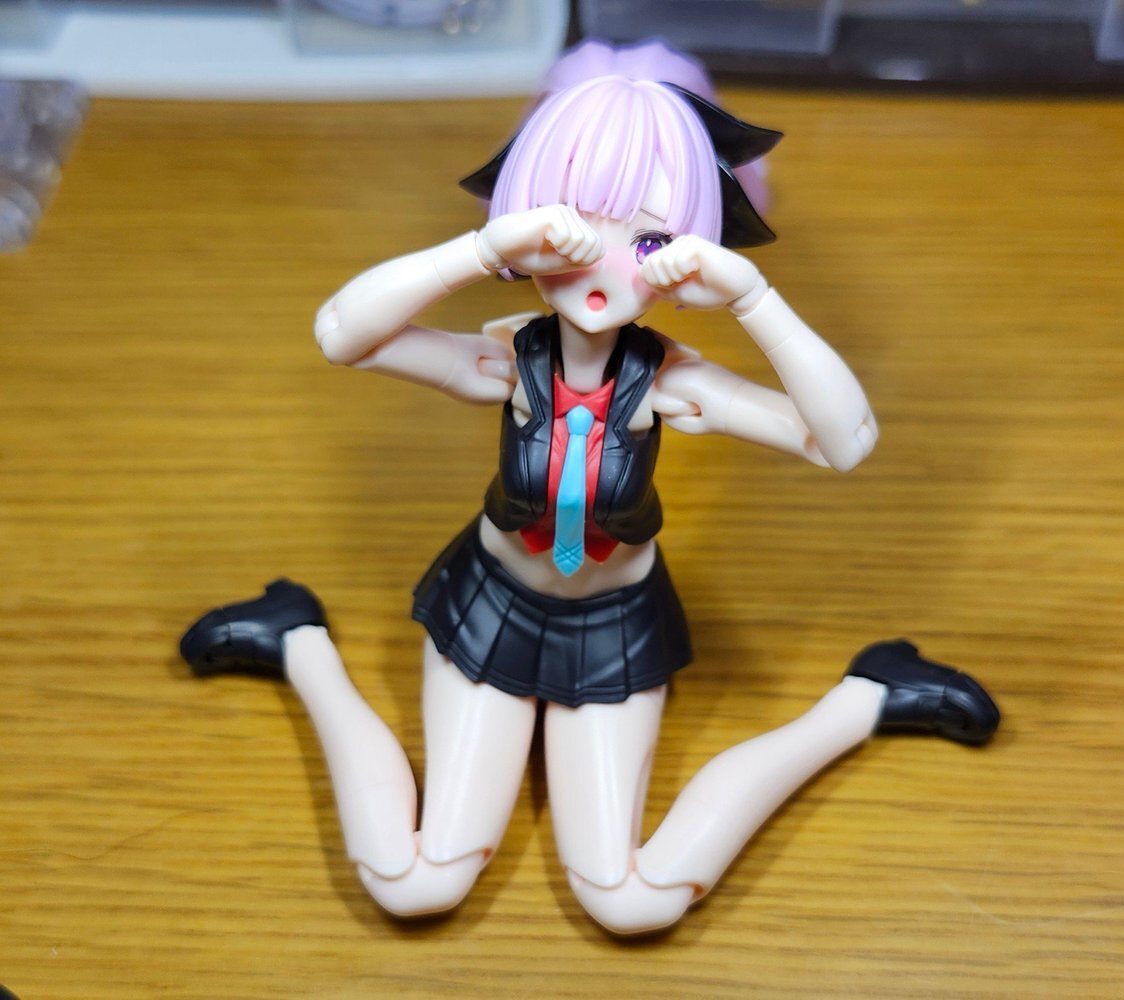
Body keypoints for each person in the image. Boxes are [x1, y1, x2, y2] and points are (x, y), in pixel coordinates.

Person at [180, 40, 999, 935]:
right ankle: (299, 641)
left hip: (612, 626)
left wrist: (753, 296)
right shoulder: (507, 357)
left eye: (647, 239)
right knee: (416, 885)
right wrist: (481, 250)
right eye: (571, 222)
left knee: (628, 901)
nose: (604, 265)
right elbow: (342, 333)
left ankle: (866, 698)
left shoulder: (672, 382)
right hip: (492, 606)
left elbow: (845, 440)